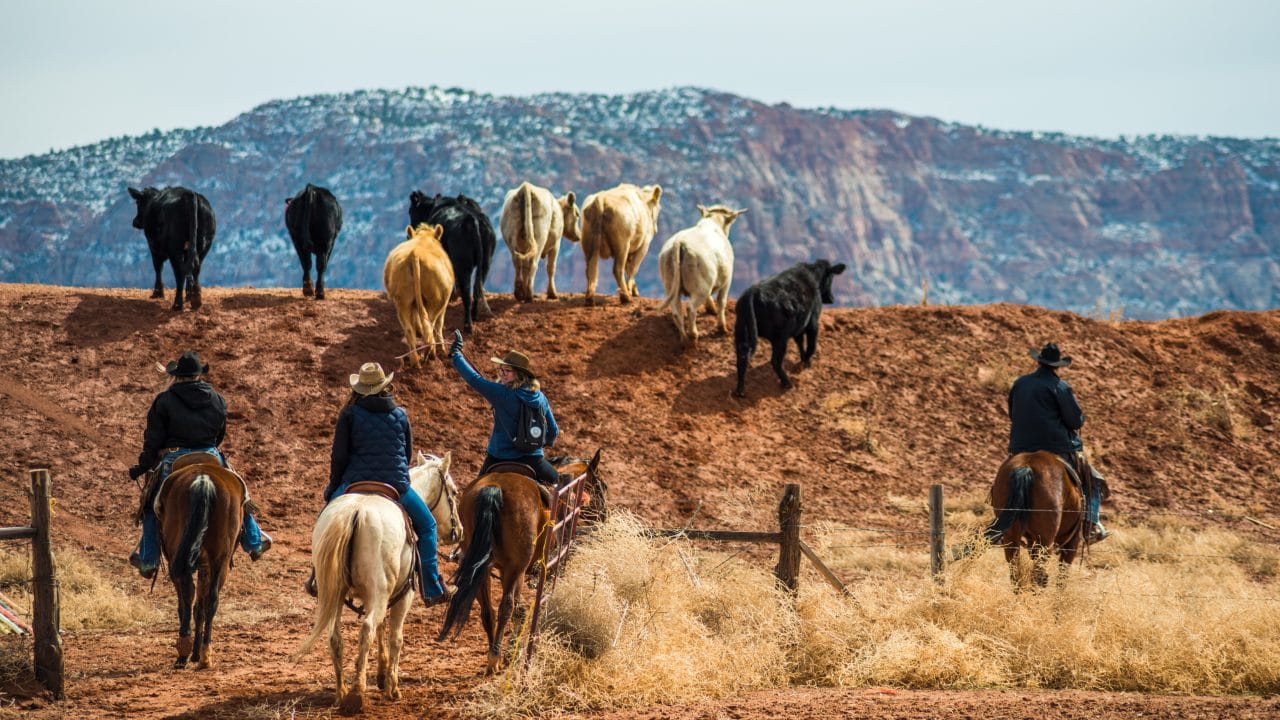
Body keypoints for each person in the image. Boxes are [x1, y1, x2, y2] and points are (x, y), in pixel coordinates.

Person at [313, 362, 449, 605]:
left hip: (354, 481)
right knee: (428, 526)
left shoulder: (349, 414)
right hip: (395, 483)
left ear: (360, 389)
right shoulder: (401, 414)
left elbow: (339, 457)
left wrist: (334, 486)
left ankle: (317, 576)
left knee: (324, 520)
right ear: (384, 386)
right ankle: (431, 587)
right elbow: (407, 455)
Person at [128, 350, 272, 579]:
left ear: (177, 376)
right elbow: (220, 433)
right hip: (209, 453)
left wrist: (142, 466)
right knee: (240, 493)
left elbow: (153, 440)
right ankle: (254, 541)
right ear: (198, 375)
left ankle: (148, 559)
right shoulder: (216, 398)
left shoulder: (164, 400)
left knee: (150, 503)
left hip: (174, 457)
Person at [1007, 342, 1109, 543]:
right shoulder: (1060, 387)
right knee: (1093, 480)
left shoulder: (1020, 383)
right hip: (1057, 447)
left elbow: (1013, 413)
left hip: (1020, 446)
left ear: (1038, 362)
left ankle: (1001, 514)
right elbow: (1075, 421)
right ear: (1057, 366)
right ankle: (1090, 524)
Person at [448, 330, 560, 486]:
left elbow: (474, 379)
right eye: (501, 370)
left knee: (473, 491)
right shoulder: (540, 397)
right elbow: (554, 431)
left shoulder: (501, 393)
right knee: (563, 487)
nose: (502, 374)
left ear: (520, 375)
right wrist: (543, 443)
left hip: (498, 457)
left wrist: (456, 354)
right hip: (533, 458)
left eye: (507, 371)